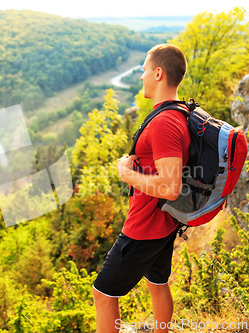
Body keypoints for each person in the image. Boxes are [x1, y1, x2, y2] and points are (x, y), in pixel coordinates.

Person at [92, 44, 191, 333]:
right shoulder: (180, 111)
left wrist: (126, 173)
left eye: (145, 70)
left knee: (103, 293)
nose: (141, 77)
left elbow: (171, 187)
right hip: (165, 221)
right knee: (158, 284)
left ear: (159, 73)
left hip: (145, 225)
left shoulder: (164, 122)